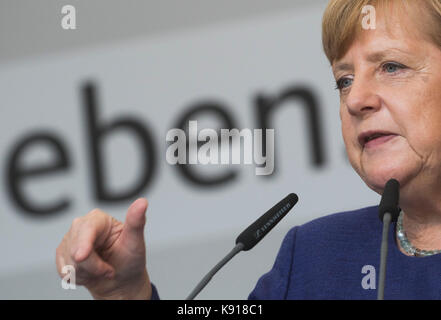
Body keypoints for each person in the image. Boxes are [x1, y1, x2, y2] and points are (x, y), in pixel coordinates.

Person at [55, 0, 441, 299]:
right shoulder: (314, 257)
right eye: (343, 80)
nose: (356, 99)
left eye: (391, 67)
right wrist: (126, 294)